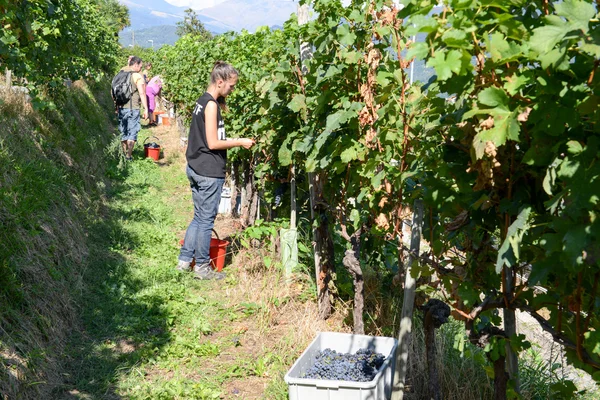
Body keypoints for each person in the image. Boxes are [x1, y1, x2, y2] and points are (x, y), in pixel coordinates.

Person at [177, 61, 255, 280]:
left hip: (196, 166)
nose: (232, 90)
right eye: (231, 86)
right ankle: (202, 267)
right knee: (205, 220)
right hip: (207, 170)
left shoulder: (202, 101)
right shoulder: (211, 105)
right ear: (220, 82)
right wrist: (239, 141)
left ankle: (184, 261)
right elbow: (212, 142)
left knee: (199, 217)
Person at [116, 56, 148, 160]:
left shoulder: (120, 74)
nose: (140, 68)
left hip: (121, 107)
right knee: (132, 132)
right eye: (140, 66)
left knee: (123, 131)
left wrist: (116, 106)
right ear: (135, 65)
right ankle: (128, 156)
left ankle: (123, 154)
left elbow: (113, 92)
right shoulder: (136, 76)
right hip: (133, 107)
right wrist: (146, 108)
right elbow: (142, 93)